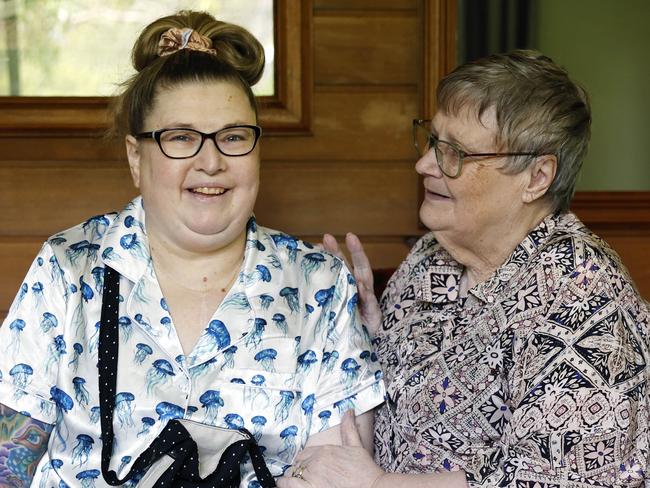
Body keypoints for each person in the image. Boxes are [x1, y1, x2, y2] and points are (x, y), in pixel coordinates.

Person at [0, 10, 384, 487]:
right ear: (136, 157)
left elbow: (338, 473)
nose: (211, 161)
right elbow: (7, 459)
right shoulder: (69, 268)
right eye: (181, 137)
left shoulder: (319, 283)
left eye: (234, 137)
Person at [278, 50, 649, 488]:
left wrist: (377, 486)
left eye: (456, 152)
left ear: (536, 177)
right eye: (433, 140)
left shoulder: (584, 298)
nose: (425, 164)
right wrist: (364, 333)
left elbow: (560, 482)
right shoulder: (430, 257)